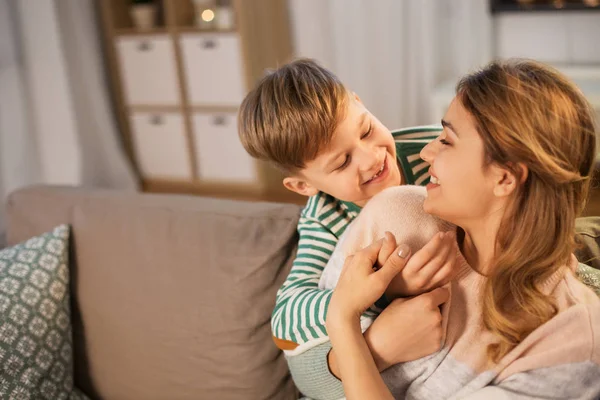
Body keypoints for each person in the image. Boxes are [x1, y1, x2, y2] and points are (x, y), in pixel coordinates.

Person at [326, 59, 600, 399]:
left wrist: (343, 322)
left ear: (504, 177)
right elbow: (304, 355)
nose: (426, 152)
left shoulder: (570, 340)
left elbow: (338, 330)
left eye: (447, 141)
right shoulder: (397, 214)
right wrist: (369, 331)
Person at [237, 59, 460, 397]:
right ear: (302, 186)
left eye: (367, 130)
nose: (372, 158)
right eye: (342, 162)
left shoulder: (428, 147)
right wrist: (376, 293)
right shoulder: (325, 216)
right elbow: (286, 316)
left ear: (358, 102)